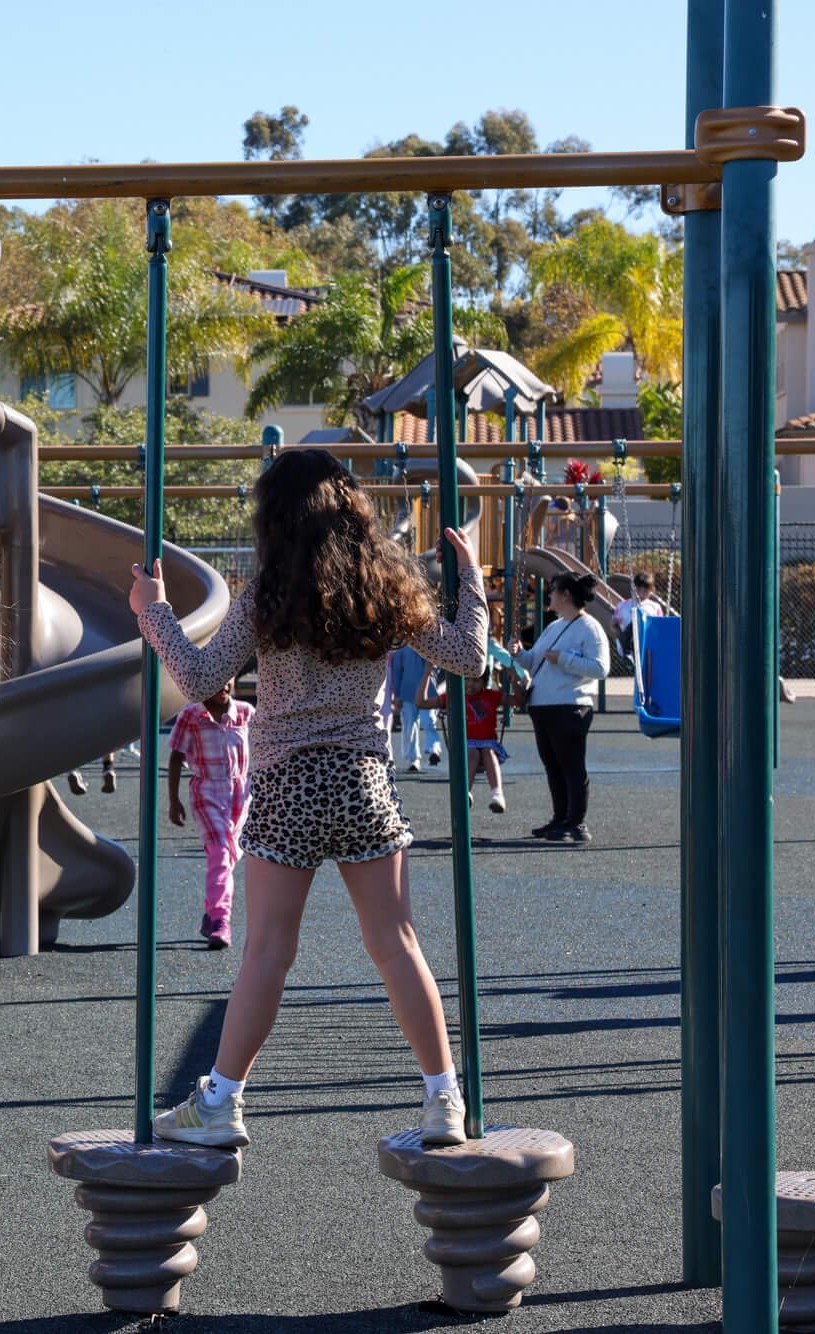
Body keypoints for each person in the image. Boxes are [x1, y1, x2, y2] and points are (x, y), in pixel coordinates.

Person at [129, 448, 488, 1151]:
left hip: (287, 784)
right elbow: (469, 659)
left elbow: (199, 677)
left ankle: (222, 1100)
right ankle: (445, 1096)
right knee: (396, 945)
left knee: (267, 951)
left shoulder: (268, 596)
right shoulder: (386, 587)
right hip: (361, 779)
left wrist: (155, 613)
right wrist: (470, 579)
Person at [514, 572, 612, 845]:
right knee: (553, 766)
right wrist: (519, 654)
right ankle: (560, 818)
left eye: (553, 590)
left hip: (571, 706)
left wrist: (564, 659)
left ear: (566, 595)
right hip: (543, 706)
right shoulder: (554, 626)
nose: (549, 595)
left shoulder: (590, 628)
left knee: (571, 767)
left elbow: (601, 668)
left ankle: (576, 822)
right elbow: (534, 661)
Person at [168, 678, 251, 951]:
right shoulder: (191, 716)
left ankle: (211, 911)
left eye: (228, 681)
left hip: (240, 795)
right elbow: (176, 757)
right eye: (216, 681)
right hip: (206, 792)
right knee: (220, 854)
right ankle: (220, 920)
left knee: (229, 857)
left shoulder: (245, 713)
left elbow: (267, 747)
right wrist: (173, 800)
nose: (223, 686)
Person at [418, 665, 515, 813]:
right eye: (467, 680)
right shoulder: (453, 696)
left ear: (484, 682)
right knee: (472, 753)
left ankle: (497, 795)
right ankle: (465, 792)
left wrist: (514, 680)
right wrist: (426, 675)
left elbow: (519, 700)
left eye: (476, 681)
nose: (470, 684)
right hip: (465, 745)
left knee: (488, 751)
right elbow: (421, 703)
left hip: (488, 744)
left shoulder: (491, 696)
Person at [386, 645, 442, 773]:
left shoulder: (429, 644)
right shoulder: (402, 648)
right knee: (409, 726)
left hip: (428, 691)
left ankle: (434, 750)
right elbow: (397, 671)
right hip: (408, 692)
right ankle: (413, 759)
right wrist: (397, 694)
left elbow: (439, 666)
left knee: (429, 721)